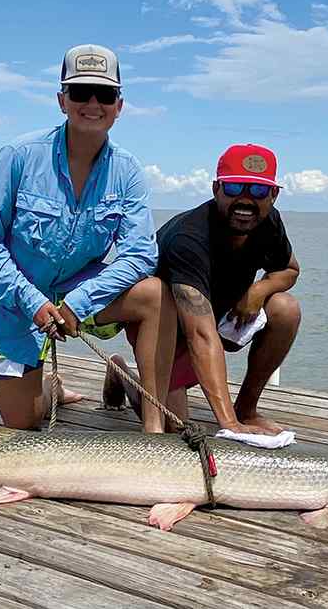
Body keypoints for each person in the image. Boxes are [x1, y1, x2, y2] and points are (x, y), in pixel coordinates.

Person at [0, 44, 177, 433]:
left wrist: (79, 303)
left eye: (105, 94)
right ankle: (51, 388)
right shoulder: (17, 156)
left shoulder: (128, 171)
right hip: (14, 304)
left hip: (81, 294)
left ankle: (153, 427)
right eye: (81, 92)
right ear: (62, 100)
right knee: (24, 423)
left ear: (119, 105)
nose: (93, 103)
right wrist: (33, 302)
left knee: (156, 293)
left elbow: (140, 255)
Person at [103, 143, 301, 436]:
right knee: (173, 427)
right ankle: (123, 375)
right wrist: (228, 426)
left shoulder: (269, 222)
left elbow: (290, 269)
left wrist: (259, 290)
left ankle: (246, 408)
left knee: (286, 308)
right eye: (234, 188)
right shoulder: (190, 238)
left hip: (220, 316)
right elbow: (200, 334)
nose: (245, 200)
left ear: (274, 195)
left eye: (258, 191)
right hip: (169, 331)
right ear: (216, 188)